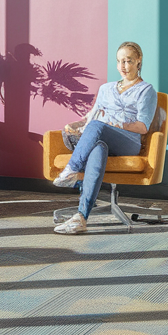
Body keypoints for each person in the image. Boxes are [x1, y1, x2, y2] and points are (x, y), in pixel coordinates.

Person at [50, 42, 158, 235]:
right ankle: (81, 217)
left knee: (98, 127)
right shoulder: (105, 89)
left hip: (128, 141)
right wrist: (75, 125)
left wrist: (118, 125)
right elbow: (90, 117)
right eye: (119, 61)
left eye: (128, 61)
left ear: (138, 61)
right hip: (100, 134)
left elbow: (142, 127)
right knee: (98, 147)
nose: (123, 66)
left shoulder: (146, 90)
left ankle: (72, 169)